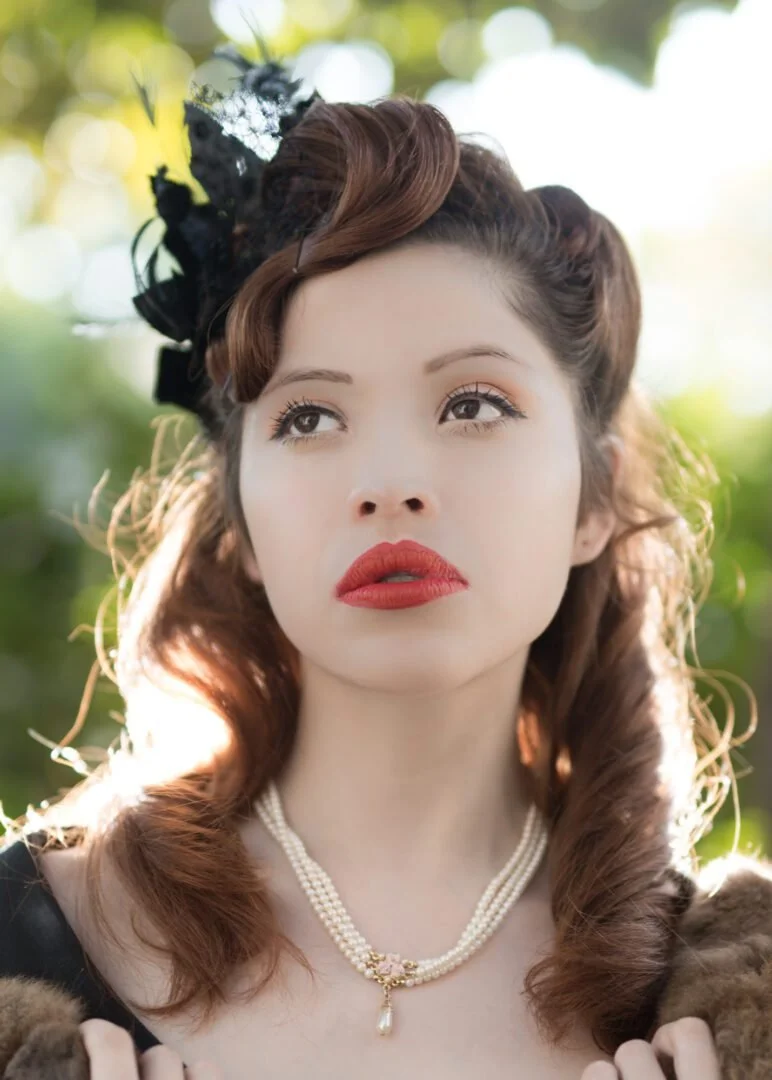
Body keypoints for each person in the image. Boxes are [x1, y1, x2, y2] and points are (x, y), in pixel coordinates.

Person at [1, 44, 762, 1079]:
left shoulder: (730, 1004)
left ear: (594, 500)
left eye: (473, 404)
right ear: (241, 524)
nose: (391, 483)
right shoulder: (29, 934)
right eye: (310, 417)